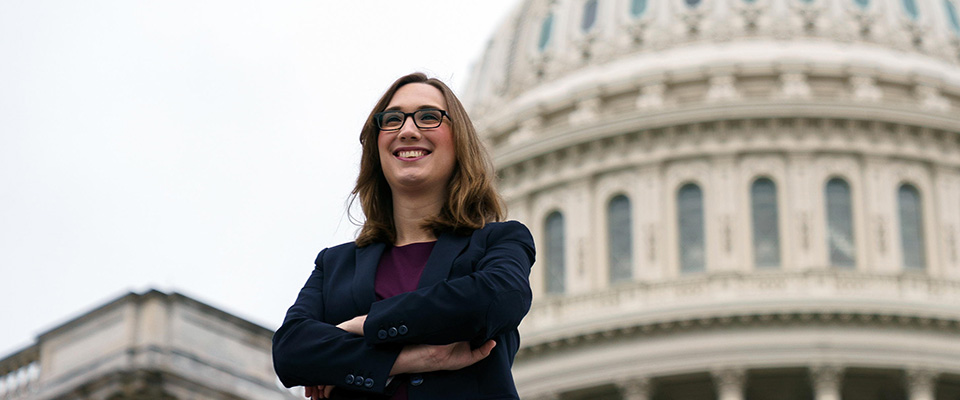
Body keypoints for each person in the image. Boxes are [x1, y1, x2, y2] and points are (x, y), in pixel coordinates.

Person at [272, 72, 536, 400]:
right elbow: (290, 351)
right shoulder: (336, 263)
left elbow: (494, 300)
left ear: (459, 141)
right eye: (393, 119)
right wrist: (409, 359)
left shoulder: (500, 241)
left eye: (428, 117)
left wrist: (363, 326)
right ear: (377, 145)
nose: (408, 131)